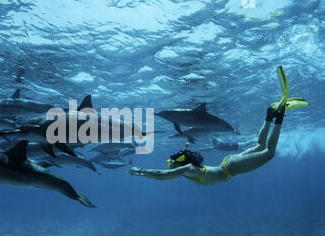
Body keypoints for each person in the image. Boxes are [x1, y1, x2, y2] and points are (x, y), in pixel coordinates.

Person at [129, 66, 308, 185]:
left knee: (268, 152)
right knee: (260, 146)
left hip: (231, 167)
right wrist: (142, 172)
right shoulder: (187, 169)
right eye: (171, 162)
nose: (170, 164)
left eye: (171, 162)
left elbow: (163, 176)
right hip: (229, 164)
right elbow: (165, 174)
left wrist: (141, 172)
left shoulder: (188, 169)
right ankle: (269, 116)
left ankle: (278, 116)